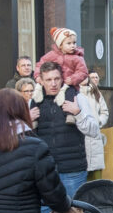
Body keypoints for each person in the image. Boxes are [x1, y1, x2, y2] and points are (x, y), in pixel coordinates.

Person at [31, 62, 100, 203]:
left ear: (62, 78)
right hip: (44, 170)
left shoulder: (76, 97)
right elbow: (21, 138)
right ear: (41, 81)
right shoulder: (34, 102)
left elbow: (94, 131)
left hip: (72, 170)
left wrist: (78, 113)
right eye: (49, 80)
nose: (53, 83)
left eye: (56, 79)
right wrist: (27, 121)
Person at [81, 70, 110, 178]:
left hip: (95, 136)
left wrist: (99, 121)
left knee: (96, 176)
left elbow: (105, 112)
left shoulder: (96, 92)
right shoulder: (73, 92)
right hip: (81, 137)